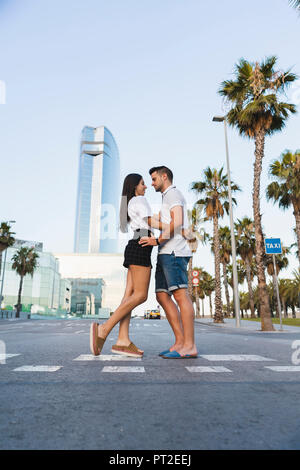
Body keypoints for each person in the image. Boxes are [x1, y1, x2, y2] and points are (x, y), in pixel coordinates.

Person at [90, 173, 169, 358]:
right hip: (142, 245)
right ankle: (103, 330)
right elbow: (150, 222)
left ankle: (122, 340)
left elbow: (146, 221)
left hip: (135, 245)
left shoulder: (131, 202)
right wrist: (171, 226)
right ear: (135, 186)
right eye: (143, 184)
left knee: (129, 296)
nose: (146, 187)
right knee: (140, 295)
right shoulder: (139, 200)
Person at [139, 166, 198, 358]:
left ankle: (189, 346)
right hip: (165, 251)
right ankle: (180, 342)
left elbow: (178, 221)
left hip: (174, 252)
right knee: (162, 296)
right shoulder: (166, 198)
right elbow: (163, 223)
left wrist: (157, 240)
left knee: (181, 296)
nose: (152, 183)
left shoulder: (173, 194)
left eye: (154, 179)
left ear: (165, 177)